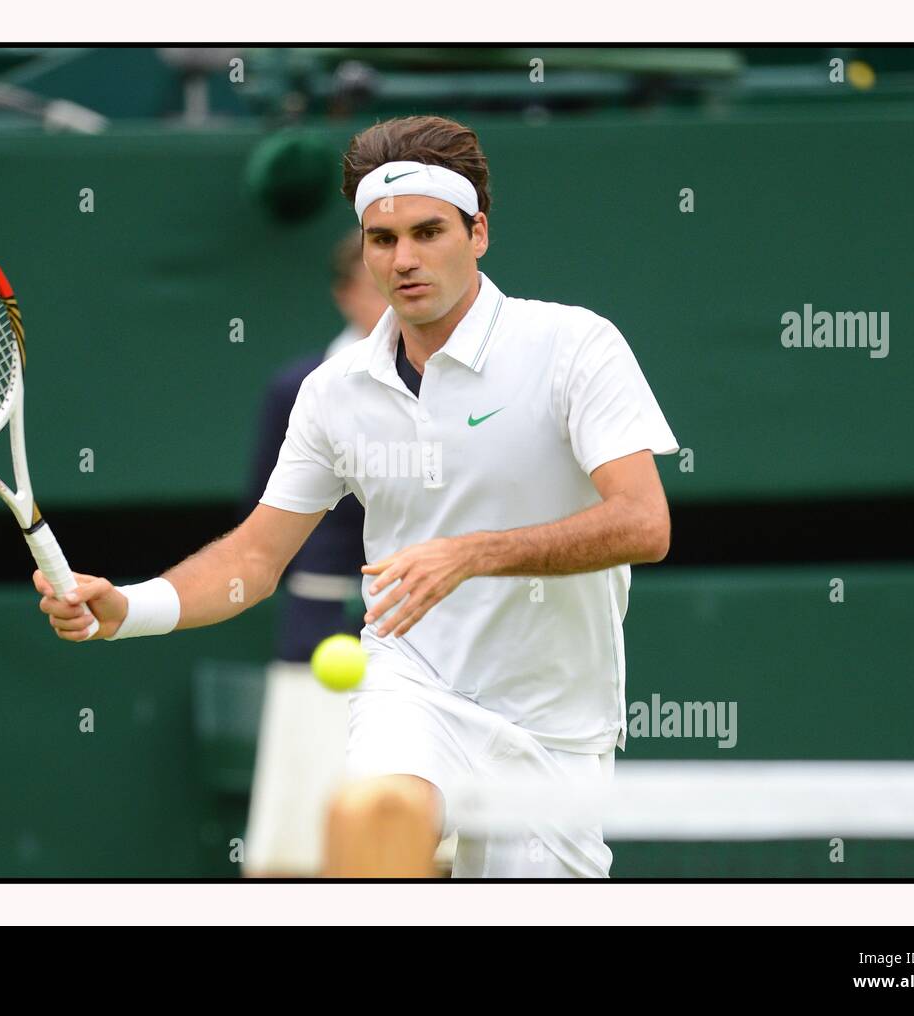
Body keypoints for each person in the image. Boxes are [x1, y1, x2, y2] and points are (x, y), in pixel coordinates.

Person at [34, 114, 677, 878]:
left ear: (478, 233)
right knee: (373, 821)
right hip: (412, 684)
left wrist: (472, 556)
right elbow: (255, 556)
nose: (404, 259)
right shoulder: (332, 392)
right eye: (382, 239)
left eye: (428, 232)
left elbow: (644, 523)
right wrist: (129, 609)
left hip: (556, 722)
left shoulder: (575, 346)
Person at [239, 230, 385, 877]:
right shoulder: (298, 386)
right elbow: (264, 518)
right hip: (317, 626)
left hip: (419, 629)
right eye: (373, 284)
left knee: (418, 838)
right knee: (300, 845)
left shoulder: (451, 384)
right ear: (344, 294)